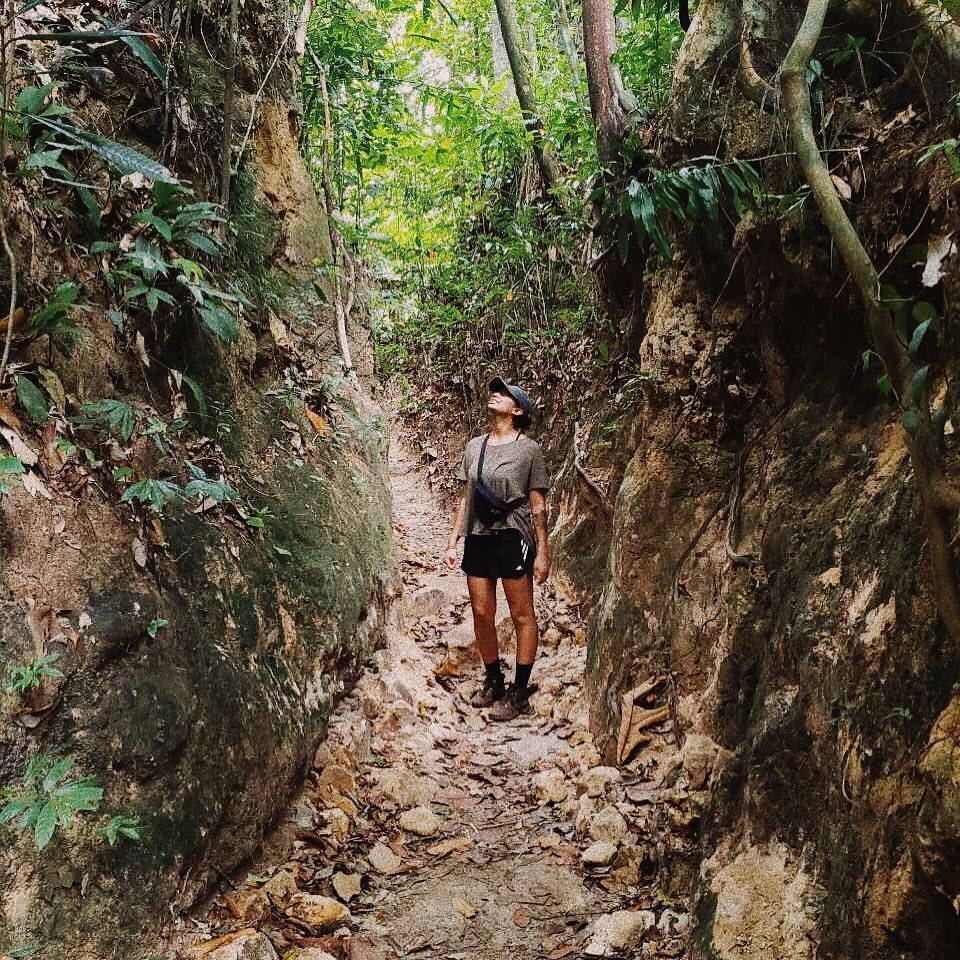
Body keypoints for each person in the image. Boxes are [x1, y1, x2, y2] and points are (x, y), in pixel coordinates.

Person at [444, 376, 551, 721]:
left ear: (518, 409)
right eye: (494, 391)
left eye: (504, 393)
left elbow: (538, 503)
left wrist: (543, 550)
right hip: (479, 535)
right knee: (480, 611)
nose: (495, 394)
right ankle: (494, 679)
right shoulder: (474, 446)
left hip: (513, 536)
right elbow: (467, 498)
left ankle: (520, 690)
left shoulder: (529, 450)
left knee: (522, 614)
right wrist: (453, 539)